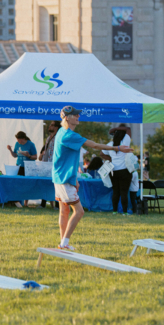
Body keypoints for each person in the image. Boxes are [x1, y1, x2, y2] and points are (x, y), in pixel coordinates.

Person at [53, 106, 133, 251]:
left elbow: (64, 159)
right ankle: (64, 243)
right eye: (75, 115)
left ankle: (63, 242)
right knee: (79, 212)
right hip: (64, 179)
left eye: (78, 114)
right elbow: (95, 145)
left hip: (61, 177)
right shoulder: (69, 135)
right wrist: (118, 148)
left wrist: (74, 179)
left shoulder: (61, 132)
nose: (78, 116)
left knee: (64, 211)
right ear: (66, 118)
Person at [101, 123, 133, 215]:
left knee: (115, 192)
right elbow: (128, 129)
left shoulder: (110, 144)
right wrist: (117, 129)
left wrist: (110, 159)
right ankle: (125, 212)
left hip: (113, 171)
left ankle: (114, 211)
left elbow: (101, 154)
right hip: (124, 170)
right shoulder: (125, 142)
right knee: (124, 192)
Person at [7, 131, 37, 207]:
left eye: (19, 140)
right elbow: (15, 155)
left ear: (23, 138)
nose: (18, 141)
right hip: (19, 166)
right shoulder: (17, 144)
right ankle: (18, 202)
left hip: (28, 167)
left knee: (27, 184)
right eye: (17, 140)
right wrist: (10, 150)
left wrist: (28, 155)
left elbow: (35, 157)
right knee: (18, 184)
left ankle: (26, 203)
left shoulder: (31, 144)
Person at [38, 121, 62, 209]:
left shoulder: (59, 137)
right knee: (45, 184)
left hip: (55, 164)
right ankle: (43, 203)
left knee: (57, 185)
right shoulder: (49, 138)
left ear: (56, 127)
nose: (49, 126)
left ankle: (57, 205)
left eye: (52, 125)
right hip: (46, 164)